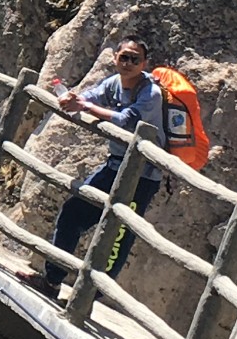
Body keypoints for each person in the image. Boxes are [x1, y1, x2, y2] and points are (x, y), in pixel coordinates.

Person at [39, 39, 164, 292]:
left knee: (116, 236)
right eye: (124, 57)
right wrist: (74, 99)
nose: (128, 63)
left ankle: (88, 299)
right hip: (115, 166)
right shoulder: (114, 83)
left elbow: (126, 120)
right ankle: (52, 281)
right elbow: (91, 96)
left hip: (142, 177)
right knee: (72, 214)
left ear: (145, 63)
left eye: (135, 59)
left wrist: (85, 106)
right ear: (115, 57)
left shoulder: (151, 93)